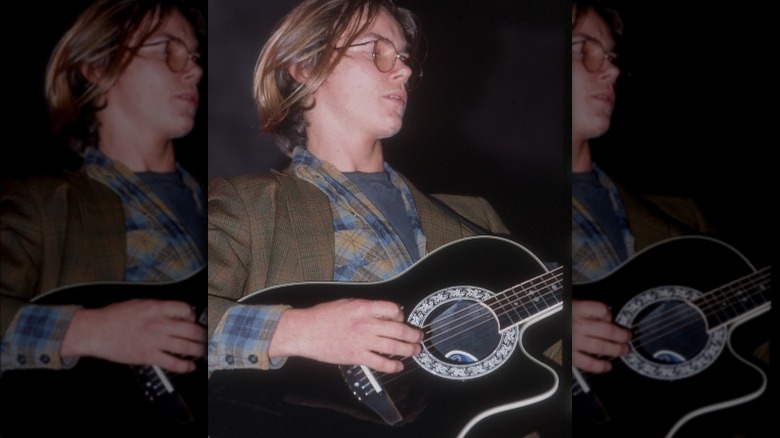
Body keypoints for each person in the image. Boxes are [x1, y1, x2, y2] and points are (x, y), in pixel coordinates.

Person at [207, 1, 564, 437]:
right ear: (304, 66)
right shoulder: (246, 205)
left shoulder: (476, 219)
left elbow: (552, 371)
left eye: (404, 59)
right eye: (377, 50)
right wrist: (296, 329)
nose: (404, 72)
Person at [0, 0, 207, 436]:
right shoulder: (42, 204)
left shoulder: (234, 205)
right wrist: (86, 330)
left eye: (193, 57)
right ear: (97, 66)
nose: (193, 71)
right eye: (169, 50)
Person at [570, 1, 770, 437]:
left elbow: (756, 348)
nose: (611, 72)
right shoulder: (495, 215)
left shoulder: (683, 218)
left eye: (611, 56)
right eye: (585, 49)